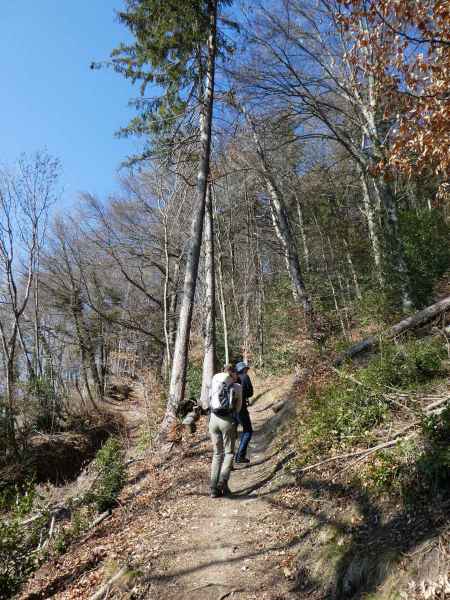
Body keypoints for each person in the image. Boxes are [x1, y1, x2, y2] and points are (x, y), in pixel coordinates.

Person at [208, 364, 242, 498]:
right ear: (232, 373)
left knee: (217, 454)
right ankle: (223, 481)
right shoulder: (237, 387)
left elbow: (210, 399)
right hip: (227, 421)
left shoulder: (215, 381)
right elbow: (238, 408)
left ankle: (213, 489)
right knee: (229, 453)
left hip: (213, 420)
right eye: (236, 374)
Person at [234, 361, 254, 464]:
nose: (247, 370)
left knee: (232, 434)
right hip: (241, 409)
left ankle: (228, 461)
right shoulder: (245, 377)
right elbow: (250, 393)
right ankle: (240, 456)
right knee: (248, 431)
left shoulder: (232, 378)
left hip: (230, 410)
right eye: (246, 368)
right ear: (243, 369)